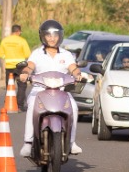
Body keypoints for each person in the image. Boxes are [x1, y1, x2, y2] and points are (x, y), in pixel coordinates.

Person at [18, 19, 83, 157]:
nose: (52, 38)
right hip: (39, 90)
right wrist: (25, 73)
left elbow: (73, 68)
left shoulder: (66, 54)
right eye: (48, 35)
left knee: (74, 107)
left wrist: (78, 75)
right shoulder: (37, 53)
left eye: (55, 35)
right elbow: (30, 66)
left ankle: (71, 142)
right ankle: (28, 143)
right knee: (31, 107)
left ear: (60, 36)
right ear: (43, 36)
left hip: (61, 90)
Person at [0, 23, 31, 89]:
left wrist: (8, 57)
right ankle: (20, 99)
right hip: (20, 67)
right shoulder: (22, 41)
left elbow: (1, 54)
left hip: (9, 67)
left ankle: (8, 99)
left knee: (9, 86)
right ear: (18, 32)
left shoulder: (5, 41)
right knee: (22, 86)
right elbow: (27, 54)